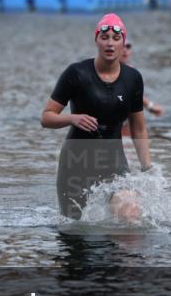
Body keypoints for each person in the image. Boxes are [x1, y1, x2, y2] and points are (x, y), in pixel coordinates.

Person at [41, 13, 152, 221]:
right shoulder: (76, 73)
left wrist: (148, 167)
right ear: (96, 40)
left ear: (123, 42)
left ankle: (122, 254)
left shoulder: (133, 79)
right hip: (76, 164)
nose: (110, 43)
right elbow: (46, 117)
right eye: (105, 37)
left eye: (116, 38)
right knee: (75, 229)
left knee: (130, 213)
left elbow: (138, 128)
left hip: (114, 161)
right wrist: (72, 118)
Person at [121, 40, 164, 138]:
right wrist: (151, 107)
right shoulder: (105, 69)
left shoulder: (131, 70)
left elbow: (135, 93)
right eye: (122, 46)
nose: (125, 50)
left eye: (128, 46)